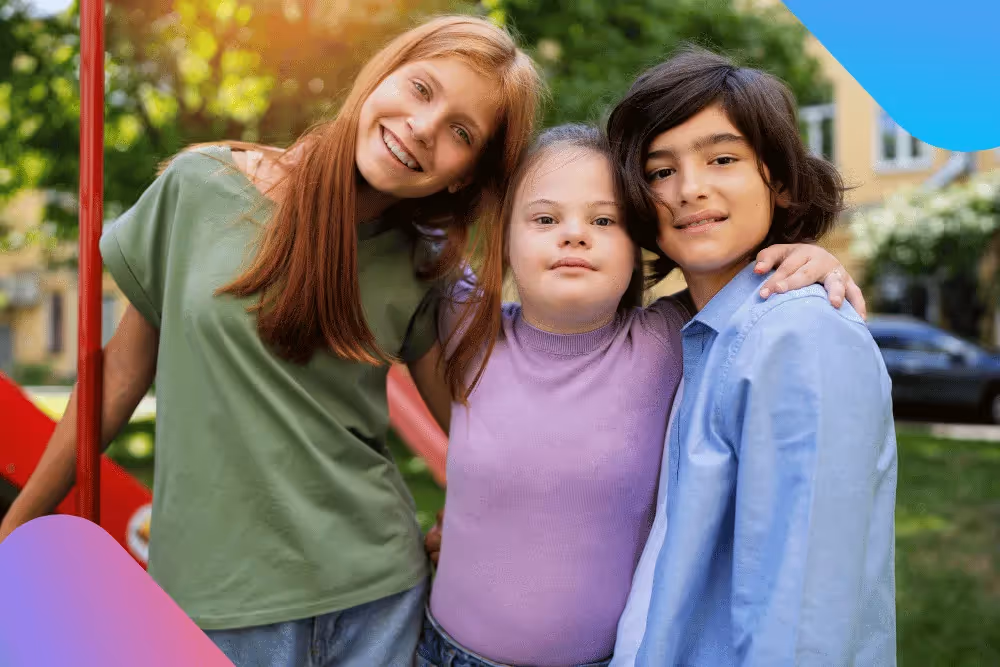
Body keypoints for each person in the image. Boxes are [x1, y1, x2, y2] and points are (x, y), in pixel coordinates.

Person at [0, 15, 543, 667]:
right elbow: (116, 380)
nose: (424, 127)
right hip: (209, 602)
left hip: (374, 599)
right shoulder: (198, 187)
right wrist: (16, 527)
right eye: (422, 89)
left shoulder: (423, 266)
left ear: (463, 176)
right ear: (382, 76)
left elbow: (478, 431)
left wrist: (462, 522)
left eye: (462, 132)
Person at [416, 124, 867, 667]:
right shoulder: (469, 328)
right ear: (506, 239)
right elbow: (402, 218)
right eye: (544, 218)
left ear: (639, 245)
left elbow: (745, 269)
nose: (574, 234)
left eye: (604, 220)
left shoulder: (668, 339)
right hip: (444, 652)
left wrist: (813, 259)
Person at [607, 48, 897, 666]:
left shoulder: (797, 337)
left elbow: (800, 620)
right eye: (660, 172)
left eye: (723, 158)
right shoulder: (702, 330)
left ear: (783, 181)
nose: (690, 189)